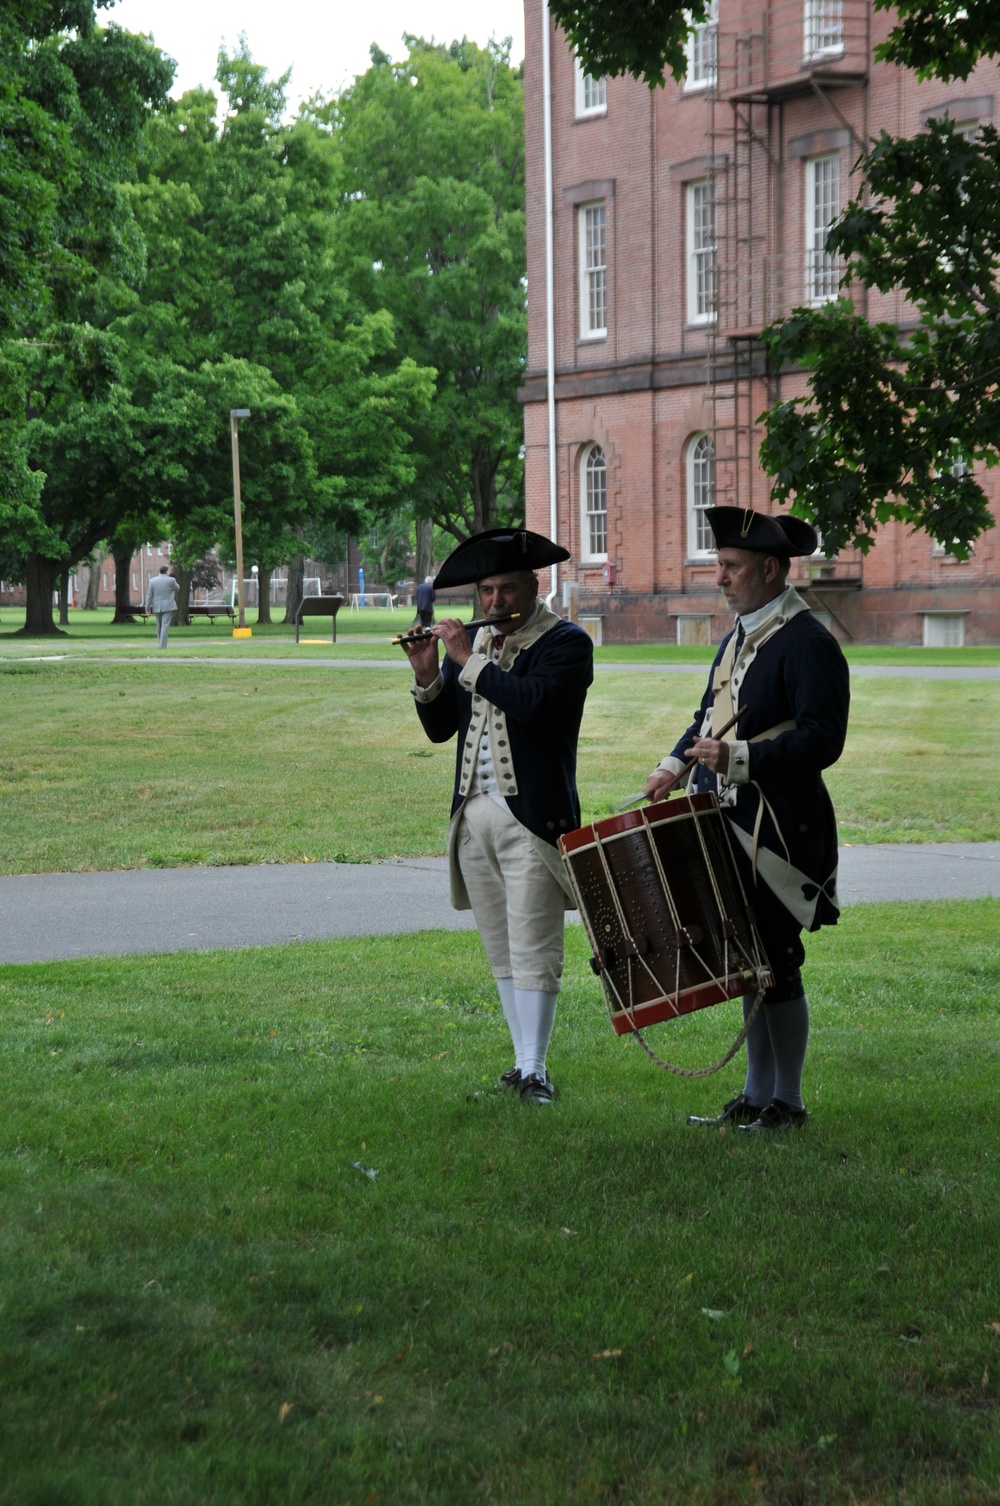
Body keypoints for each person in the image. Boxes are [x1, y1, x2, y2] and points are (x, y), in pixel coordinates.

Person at [644, 506, 850, 1133]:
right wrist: (673, 766)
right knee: (747, 966)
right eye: (719, 566)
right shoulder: (740, 634)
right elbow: (708, 716)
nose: (720, 578)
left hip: (781, 832)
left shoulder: (808, 641)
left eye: (731, 567)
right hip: (726, 824)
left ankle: (788, 1101)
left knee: (778, 965)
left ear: (769, 568)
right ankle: (757, 1096)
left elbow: (823, 741)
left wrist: (738, 758)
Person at [402, 528, 594, 1105]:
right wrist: (428, 672)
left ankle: (536, 1069)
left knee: (535, 943)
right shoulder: (479, 648)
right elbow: (443, 731)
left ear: (532, 588)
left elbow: (535, 706)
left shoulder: (566, 643)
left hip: (532, 818)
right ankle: (520, 1061)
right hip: (473, 816)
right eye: (486, 591)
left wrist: (467, 659)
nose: (494, 603)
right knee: (500, 947)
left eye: (507, 590)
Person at [145, 565, 180, 648]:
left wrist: (147, 607)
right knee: (165, 625)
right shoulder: (171, 580)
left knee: (159, 625)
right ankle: (162, 645)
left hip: (157, 605)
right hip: (168, 605)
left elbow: (149, 595)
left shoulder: (152, 581)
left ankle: (160, 642)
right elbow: (178, 588)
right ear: (167, 572)